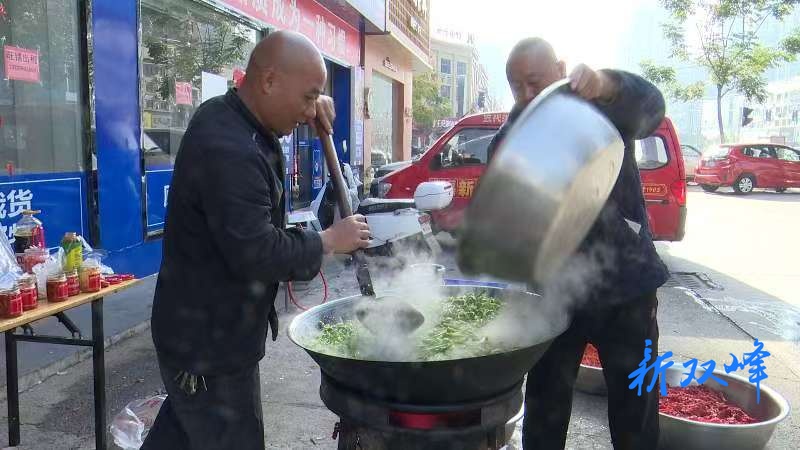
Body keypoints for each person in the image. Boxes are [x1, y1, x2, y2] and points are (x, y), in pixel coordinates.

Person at [142, 31, 370, 450]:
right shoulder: (228, 149)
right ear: (268, 81)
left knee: (184, 435)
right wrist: (328, 240)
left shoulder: (232, 114)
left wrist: (311, 98)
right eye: (307, 97)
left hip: (207, 332)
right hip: (208, 348)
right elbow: (258, 251)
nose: (310, 111)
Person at [486, 38, 669, 449]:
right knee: (545, 403)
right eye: (517, 86)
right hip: (555, 293)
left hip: (628, 288)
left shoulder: (605, 108)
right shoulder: (514, 131)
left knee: (636, 406)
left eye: (535, 82)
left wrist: (605, 83)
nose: (527, 94)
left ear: (560, 69)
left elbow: (652, 107)